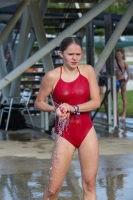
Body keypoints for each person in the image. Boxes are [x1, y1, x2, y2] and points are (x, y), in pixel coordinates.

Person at [35, 37, 100, 200]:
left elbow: (96, 101)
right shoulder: (52, 76)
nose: (75, 58)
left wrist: (74, 108)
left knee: (90, 184)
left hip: (86, 130)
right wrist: (54, 109)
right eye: (70, 54)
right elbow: (39, 102)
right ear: (61, 54)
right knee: (52, 190)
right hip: (64, 133)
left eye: (78, 54)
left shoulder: (87, 71)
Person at [115, 49, 130, 122]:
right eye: (116, 54)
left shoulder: (124, 63)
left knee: (123, 97)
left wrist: (125, 82)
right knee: (115, 98)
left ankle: (124, 115)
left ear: (122, 55)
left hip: (122, 81)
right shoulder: (114, 63)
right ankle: (116, 115)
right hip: (116, 81)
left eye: (118, 54)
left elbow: (129, 74)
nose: (117, 55)